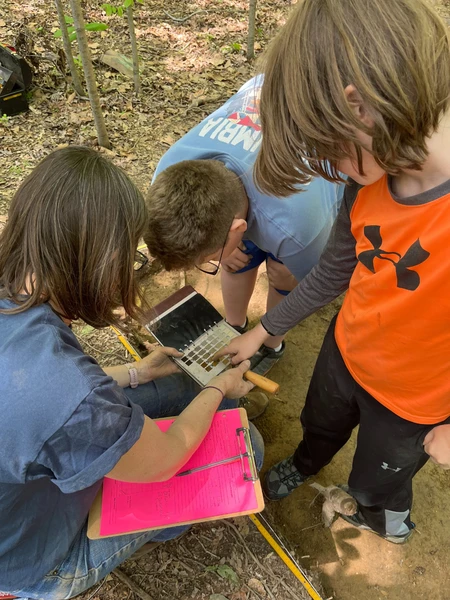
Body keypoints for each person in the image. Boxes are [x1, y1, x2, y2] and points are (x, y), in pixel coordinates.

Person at [216, 0, 450, 544]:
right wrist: (263, 331)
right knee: (319, 423)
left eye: (331, 152)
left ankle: (383, 516)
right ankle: (306, 461)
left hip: (414, 399)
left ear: (359, 109)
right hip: (348, 351)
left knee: (378, 480)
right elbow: (333, 273)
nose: (336, 172)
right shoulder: (368, 177)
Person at [0, 146, 264, 599]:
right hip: (34, 560)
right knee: (249, 450)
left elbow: (39, 392)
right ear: (98, 260)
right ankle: (150, 528)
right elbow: (168, 455)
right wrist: (219, 387)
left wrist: (136, 373)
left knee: (176, 386)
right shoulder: (71, 395)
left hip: (23, 489)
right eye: (128, 258)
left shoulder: (17, 292)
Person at [144, 76, 344, 393]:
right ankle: (234, 326)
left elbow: (323, 284)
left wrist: (267, 325)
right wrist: (224, 254)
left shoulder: (299, 227)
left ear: (238, 227)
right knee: (237, 260)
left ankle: (272, 344)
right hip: (270, 93)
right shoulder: (169, 169)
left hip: (328, 123)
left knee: (284, 275)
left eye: (208, 261)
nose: (208, 266)